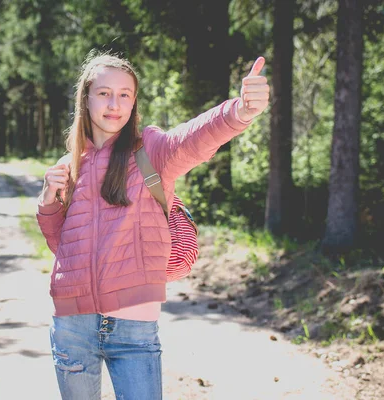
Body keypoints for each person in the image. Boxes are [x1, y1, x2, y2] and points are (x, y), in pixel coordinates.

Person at [36, 51, 269, 400]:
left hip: (132, 328)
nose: (114, 103)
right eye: (103, 93)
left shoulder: (151, 151)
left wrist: (240, 111)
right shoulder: (69, 165)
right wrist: (48, 202)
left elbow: (195, 137)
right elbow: (63, 249)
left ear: (133, 102)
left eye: (124, 94)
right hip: (72, 326)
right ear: (85, 98)